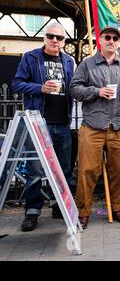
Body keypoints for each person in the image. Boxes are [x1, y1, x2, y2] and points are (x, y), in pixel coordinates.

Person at [69, 26, 120, 229]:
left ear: (119, 42)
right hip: (93, 126)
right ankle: (83, 212)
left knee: (119, 170)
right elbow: (74, 89)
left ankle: (118, 208)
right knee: (87, 171)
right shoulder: (87, 64)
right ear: (100, 40)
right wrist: (97, 91)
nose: (111, 40)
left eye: (115, 38)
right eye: (107, 37)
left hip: (118, 126)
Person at [12, 22, 74, 232]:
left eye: (60, 38)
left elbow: (72, 86)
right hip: (39, 121)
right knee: (36, 169)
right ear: (44, 38)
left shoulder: (68, 60)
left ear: (64, 41)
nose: (55, 40)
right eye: (51, 36)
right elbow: (16, 84)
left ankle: (59, 205)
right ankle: (32, 211)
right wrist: (40, 88)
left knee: (63, 168)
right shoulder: (31, 57)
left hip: (63, 122)